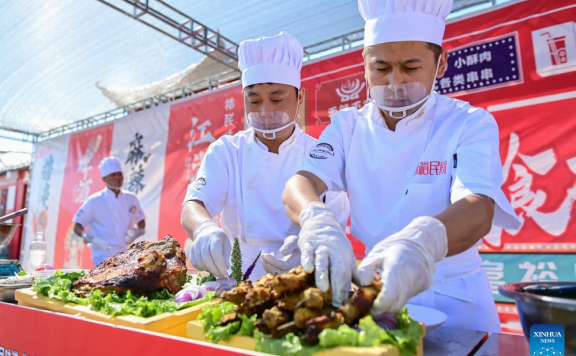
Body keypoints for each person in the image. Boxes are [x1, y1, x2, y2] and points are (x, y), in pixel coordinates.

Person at [281, 0, 520, 333]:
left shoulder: (468, 122)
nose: (394, 82)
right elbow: (300, 184)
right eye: (380, 68)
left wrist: (423, 243)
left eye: (410, 67)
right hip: (374, 292)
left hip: (456, 298)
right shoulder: (348, 126)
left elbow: (478, 206)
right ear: (364, 65)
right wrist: (315, 218)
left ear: (440, 64)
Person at [181, 31, 349, 281]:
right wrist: (204, 230)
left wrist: (308, 249)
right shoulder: (227, 151)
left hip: (303, 276)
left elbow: (334, 224)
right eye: (255, 101)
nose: (266, 111)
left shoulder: (321, 153)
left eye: (277, 99)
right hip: (234, 276)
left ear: (299, 98)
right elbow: (194, 204)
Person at [73, 156, 146, 265]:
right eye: (113, 175)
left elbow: (141, 220)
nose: (117, 177)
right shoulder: (94, 200)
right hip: (102, 254)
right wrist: (85, 235)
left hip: (125, 253)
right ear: (104, 179)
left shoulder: (131, 198)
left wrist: (137, 232)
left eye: (119, 174)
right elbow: (77, 224)